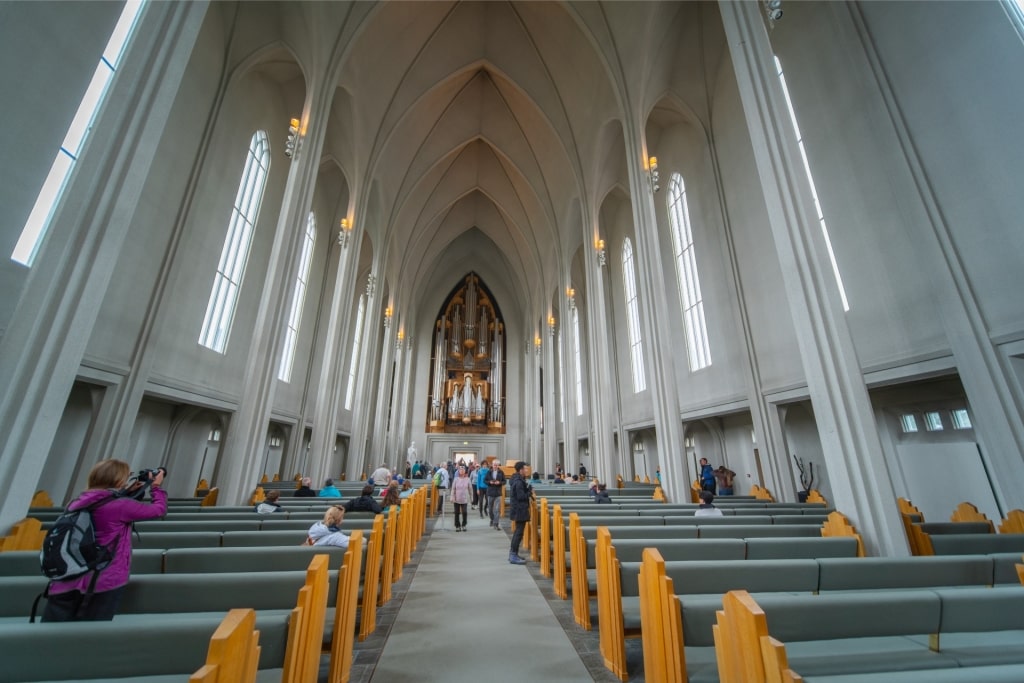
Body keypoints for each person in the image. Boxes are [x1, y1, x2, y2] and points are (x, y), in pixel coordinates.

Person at [42, 459, 167, 622]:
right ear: (118, 480)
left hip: (67, 574)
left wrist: (126, 493)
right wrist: (156, 487)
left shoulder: (77, 502)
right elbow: (158, 510)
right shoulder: (120, 506)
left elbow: (104, 509)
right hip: (101, 578)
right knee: (90, 634)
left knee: (54, 633)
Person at [507, 461, 532, 564]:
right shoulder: (518, 481)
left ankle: (514, 553)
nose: (526, 470)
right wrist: (529, 492)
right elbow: (521, 497)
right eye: (525, 469)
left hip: (518, 509)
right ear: (520, 470)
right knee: (518, 533)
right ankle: (513, 555)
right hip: (519, 510)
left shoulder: (518, 479)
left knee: (518, 532)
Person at [450, 465, 473, 532]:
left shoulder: (468, 479)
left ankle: (464, 525)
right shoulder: (456, 479)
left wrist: (472, 498)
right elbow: (453, 489)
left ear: (465, 471)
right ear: (458, 471)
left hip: (465, 498)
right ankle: (457, 526)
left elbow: (470, 489)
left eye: (463, 469)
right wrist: (452, 497)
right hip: (457, 498)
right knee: (457, 513)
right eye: (460, 469)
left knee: (464, 512)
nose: (462, 470)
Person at [485, 460, 505, 529]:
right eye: (494, 465)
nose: (495, 466)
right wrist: (489, 482)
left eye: (497, 465)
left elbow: (504, 481)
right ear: (492, 465)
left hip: (498, 493)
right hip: (490, 492)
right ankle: (492, 519)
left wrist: (499, 482)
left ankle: (496, 524)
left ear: (498, 465)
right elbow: (485, 480)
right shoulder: (489, 472)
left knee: (497, 509)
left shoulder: (501, 472)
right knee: (490, 509)